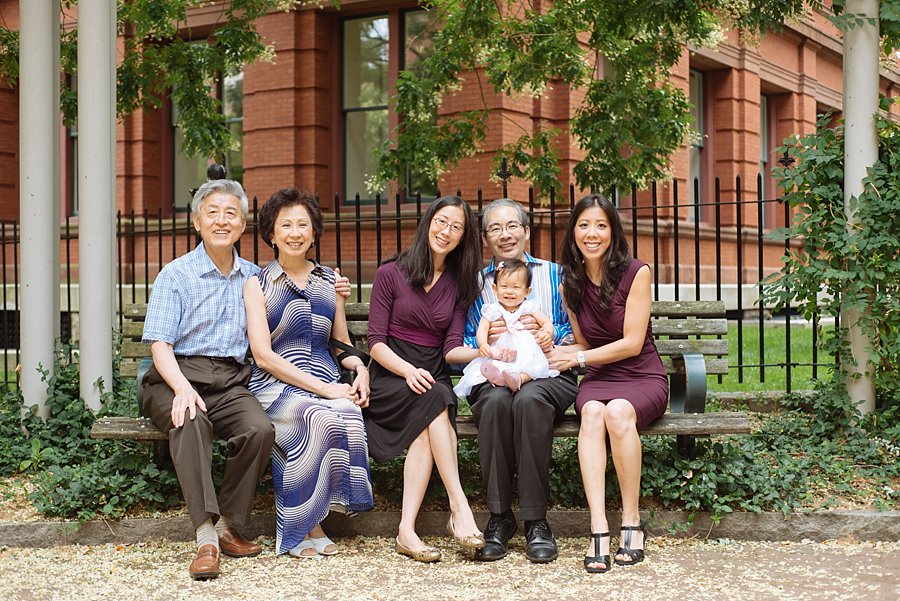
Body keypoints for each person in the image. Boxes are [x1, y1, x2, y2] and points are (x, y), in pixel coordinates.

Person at [142, 179, 275, 581]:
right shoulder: (176, 275)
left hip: (230, 382)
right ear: (197, 221)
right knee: (191, 420)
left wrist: (335, 289)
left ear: (243, 225)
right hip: (174, 377)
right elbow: (160, 345)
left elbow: (298, 296)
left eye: (231, 213)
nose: (222, 220)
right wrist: (182, 387)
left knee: (259, 430)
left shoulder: (254, 277)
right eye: (212, 212)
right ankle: (205, 537)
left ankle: (227, 526)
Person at [244, 188, 374, 559]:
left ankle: (309, 522)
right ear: (271, 234)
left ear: (314, 233)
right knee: (312, 414)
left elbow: (340, 343)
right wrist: (325, 389)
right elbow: (262, 355)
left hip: (324, 381)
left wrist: (360, 369)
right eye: (286, 225)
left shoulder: (329, 281)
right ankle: (301, 530)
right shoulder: (257, 284)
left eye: (303, 224)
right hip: (274, 385)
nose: (295, 232)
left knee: (347, 413)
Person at [548, 194, 668, 573]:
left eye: (601, 225)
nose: (592, 233)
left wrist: (579, 359)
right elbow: (584, 343)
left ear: (613, 232)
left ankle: (631, 521)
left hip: (642, 373)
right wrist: (555, 345)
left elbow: (633, 343)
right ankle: (598, 525)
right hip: (600, 376)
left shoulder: (637, 272)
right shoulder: (571, 283)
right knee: (595, 413)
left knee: (617, 412)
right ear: (573, 234)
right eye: (584, 225)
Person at [364, 195, 485, 563]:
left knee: (430, 414)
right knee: (436, 400)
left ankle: (406, 530)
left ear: (464, 238)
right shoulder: (391, 273)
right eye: (441, 221)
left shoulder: (461, 284)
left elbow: (450, 348)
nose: (446, 231)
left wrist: (487, 351)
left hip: (432, 374)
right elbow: (375, 343)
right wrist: (406, 370)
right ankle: (459, 506)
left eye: (457, 227)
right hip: (391, 375)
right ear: (428, 221)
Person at [463, 198, 579, 564]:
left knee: (528, 400)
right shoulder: (478, 284)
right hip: (495, 368)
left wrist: (547, 332)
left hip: (549, 368)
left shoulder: (555, 274)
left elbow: (576, 326)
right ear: (486, 239)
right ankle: (499, 517)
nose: (505, 234)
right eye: (495, 229)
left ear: (526, 231)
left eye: (512, 226)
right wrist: (488, 338)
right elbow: (469, 338)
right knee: (496, 402)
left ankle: (535, 519)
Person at [453, 258, 558, 397]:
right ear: (495, 289)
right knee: (496, 363)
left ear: (527, 291)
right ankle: (499, 377)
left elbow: (546, 323)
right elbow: (483, 329)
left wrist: (546, 333)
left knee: (534, 365)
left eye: (516, 287)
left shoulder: (529, 307)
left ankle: (519, 379)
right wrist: (483, 344)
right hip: (502, 352)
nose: (509, 291)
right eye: (504, 286)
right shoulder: (492, 309)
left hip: (526, 350)